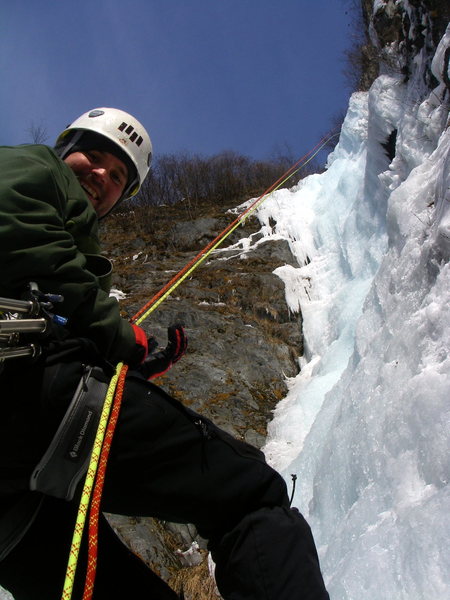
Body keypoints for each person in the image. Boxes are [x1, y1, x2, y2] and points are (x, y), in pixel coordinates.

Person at [0, 107, 330, 599]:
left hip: (13, 499)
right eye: (93, 156)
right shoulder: (30, 167)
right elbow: (23, 234)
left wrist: (125, 355)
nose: (101, 177)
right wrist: (120, 339)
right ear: (65, 149)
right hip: (25, 387)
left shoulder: (76, 238)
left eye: (118, 177)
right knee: (248, 493)